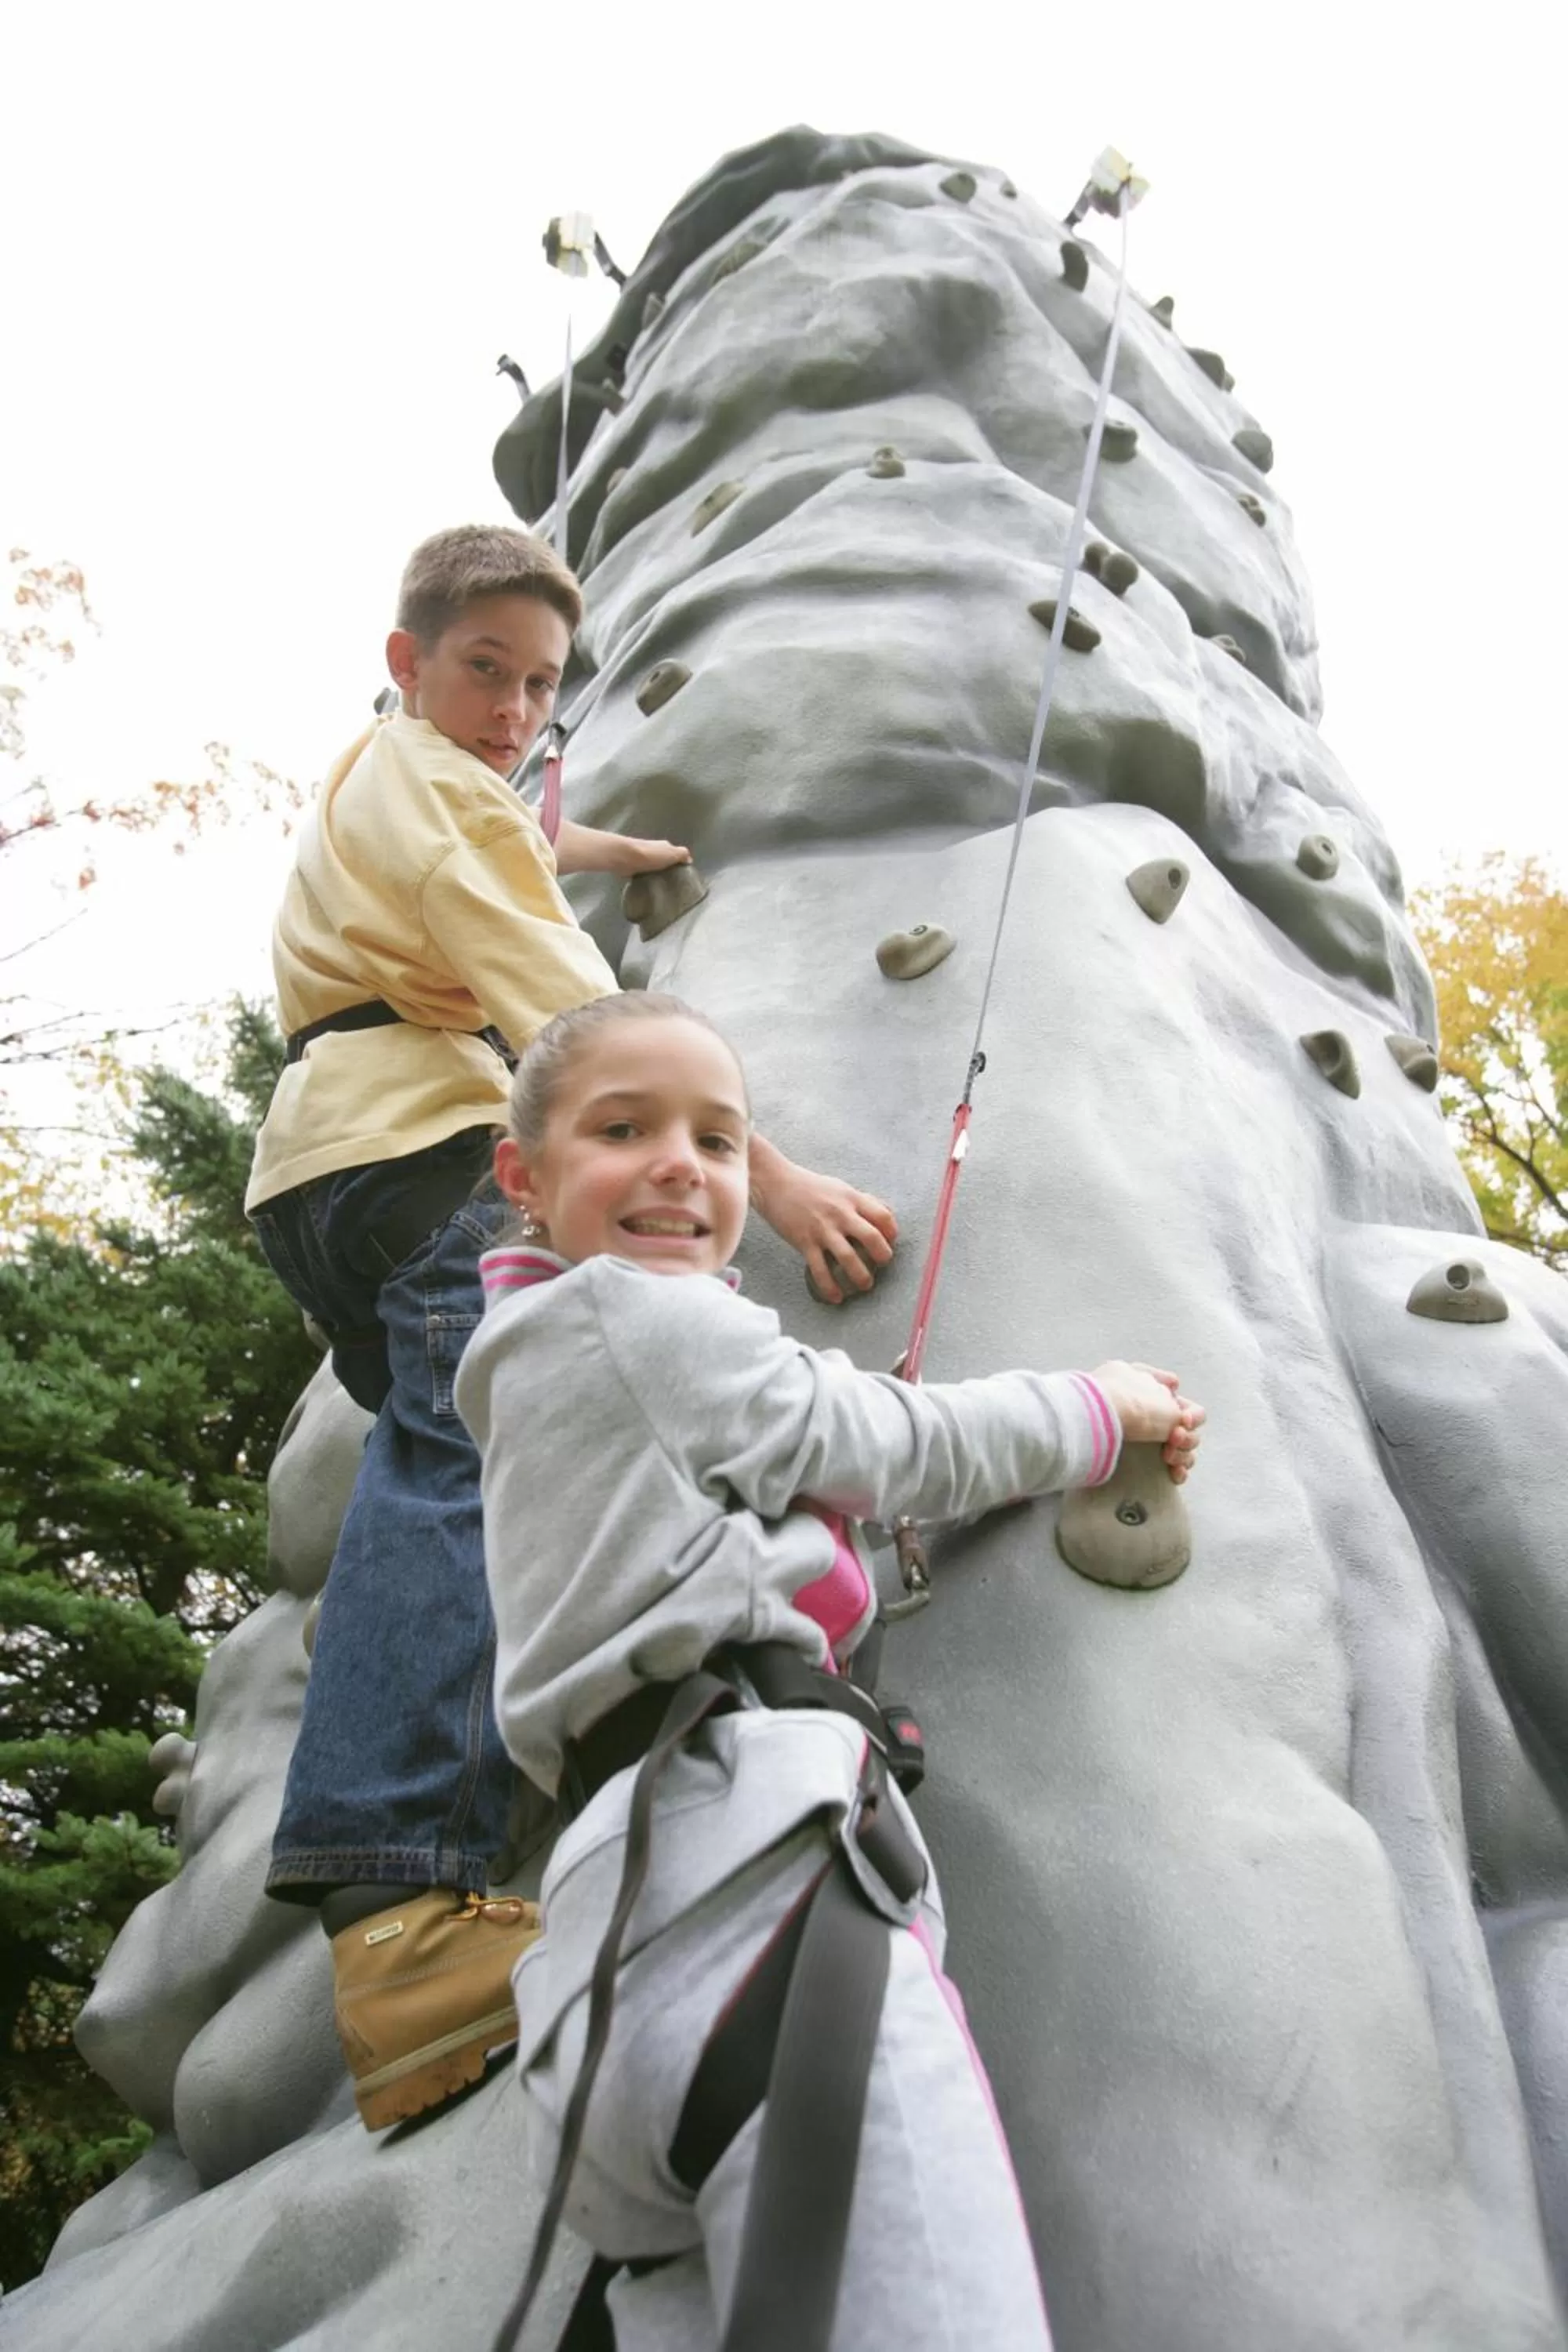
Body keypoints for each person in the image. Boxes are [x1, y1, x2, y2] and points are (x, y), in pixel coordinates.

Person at [244, 524, 898, 2132]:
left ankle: (428, 1757)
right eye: (486, 669)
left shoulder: (393, 779)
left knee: (443, 1449)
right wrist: (779, 1177)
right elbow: (572, 1015)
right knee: (479, 1446)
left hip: (324, 1165)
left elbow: (523, 845)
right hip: (424, 1134)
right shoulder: (444, 788)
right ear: (409, 661)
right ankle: (403, 1912)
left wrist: (616, 851)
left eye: (541, 687)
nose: (514, 708)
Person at [453, 990, 1204, 2351]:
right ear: (526, 1174)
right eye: (625, 1128)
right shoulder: (639, 1316)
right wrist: (1108, 1409)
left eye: (722, 1140)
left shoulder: (539, 1368)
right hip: (753, 1896)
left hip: (604, 1965)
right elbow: (895, 1440)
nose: (683, 1161)